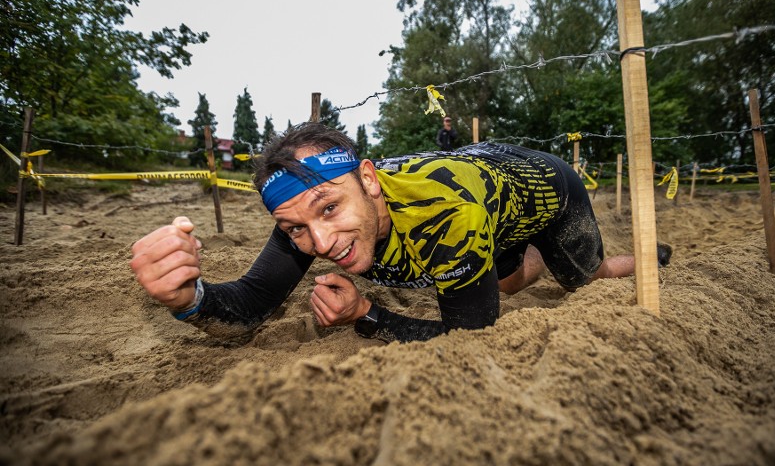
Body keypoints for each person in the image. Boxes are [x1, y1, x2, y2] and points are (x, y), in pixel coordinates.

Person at [131, 123, 671, 344]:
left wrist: (366, 316)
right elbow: (247, 307)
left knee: (584, 278)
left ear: (368, 181)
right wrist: (188, 298)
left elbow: (471, 342)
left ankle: (636, 255)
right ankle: (512, 257)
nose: (321, 245)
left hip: (545, 184)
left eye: (329, 209)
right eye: (296, 229)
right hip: (480, 197)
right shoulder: (302, 215)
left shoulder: (445, 220)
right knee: (500, 282)